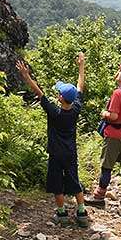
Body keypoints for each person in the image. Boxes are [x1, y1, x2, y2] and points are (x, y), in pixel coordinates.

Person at [16, 53, 88, 227]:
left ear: (60, 98)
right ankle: (82, 212)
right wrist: (81, 65)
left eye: (58, 92)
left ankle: (62, 214)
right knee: (74, 180)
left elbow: (39, 93)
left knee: (57, 184)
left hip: (56, 154)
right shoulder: (76, 107)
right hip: (71, 153)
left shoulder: (54, 112)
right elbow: (80, 85)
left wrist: (26, 76)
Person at [85, 62, 121, 208]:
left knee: (106, 166)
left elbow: (114, 116)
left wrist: (105, 113)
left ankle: (99, 196)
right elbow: (119, 80)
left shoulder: (118, 93)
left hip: (114, 135)